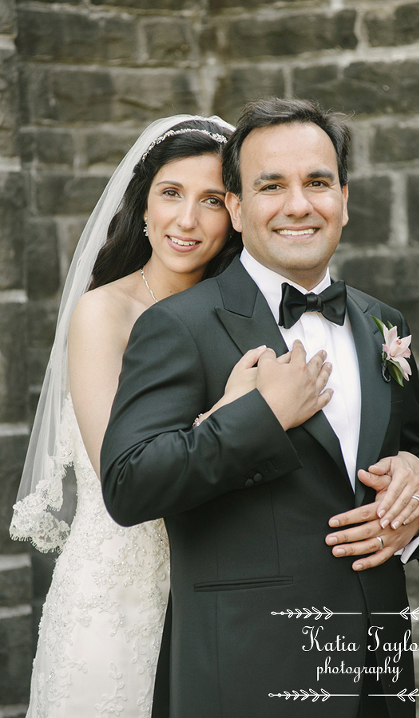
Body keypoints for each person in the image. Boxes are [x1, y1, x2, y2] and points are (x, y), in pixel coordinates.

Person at [100, 98, 419, 718]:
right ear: (236, 208)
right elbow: (129, 484)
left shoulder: (382, 324)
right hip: (247, 675)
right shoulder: (178, 326)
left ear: (344, 198)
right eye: (271, 186)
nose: (299, 205)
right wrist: (262, 417)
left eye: (317, 182)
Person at [9, 114, 250, 717]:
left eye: (212, 200)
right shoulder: (102, 314)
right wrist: (237, 410)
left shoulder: (241, 314)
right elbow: (120, 466)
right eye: (171, 194)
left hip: (213, 594)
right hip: (112, 594)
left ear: (236, 214)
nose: (187, 220)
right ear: (142, 205)